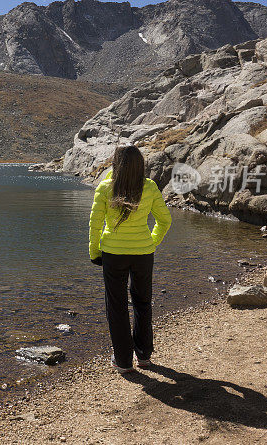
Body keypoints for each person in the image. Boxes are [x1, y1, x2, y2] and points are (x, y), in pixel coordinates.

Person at [89, 144, 172, 374]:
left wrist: (94, 252)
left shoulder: (105, 188)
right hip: (143, 254)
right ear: (140, 165)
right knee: (143, 303)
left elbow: (95, 225)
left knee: (116, 307)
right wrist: (151, 242)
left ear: (117, 164)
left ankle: (123, 361)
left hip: (113, 254)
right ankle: (144, 356)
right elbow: (165, 221)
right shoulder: (150, 187)